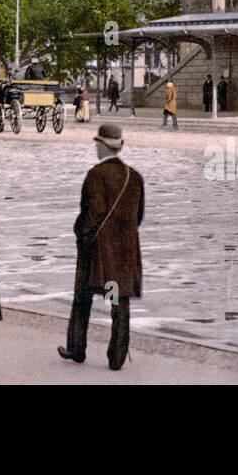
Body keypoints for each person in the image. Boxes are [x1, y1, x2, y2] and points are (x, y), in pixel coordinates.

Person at [59, 122, 144, 371]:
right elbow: (138, 216)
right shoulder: (134, 177)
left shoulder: (96, 175)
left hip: (97, 253)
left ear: (101, 146)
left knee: (83, 297)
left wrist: (81, 233)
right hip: (123, 253)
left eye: (97, 144)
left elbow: (92, 214)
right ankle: (116, 357)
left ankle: (77, 349)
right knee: (117, 302)